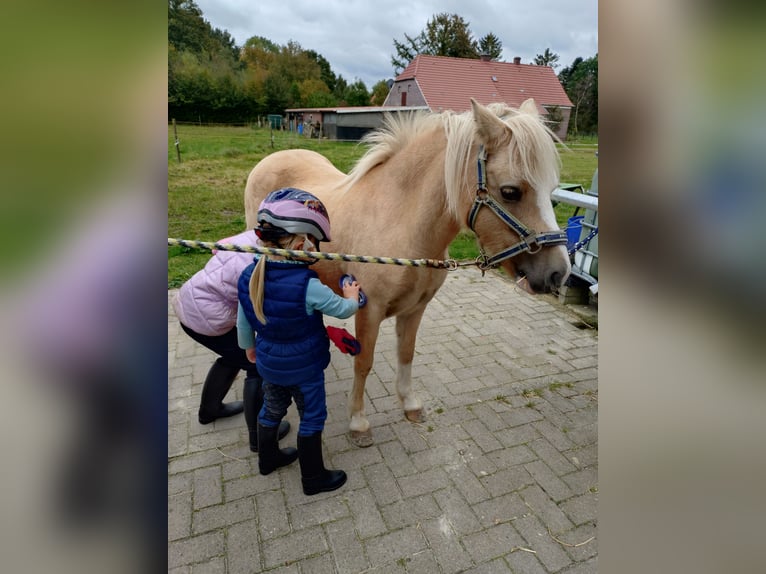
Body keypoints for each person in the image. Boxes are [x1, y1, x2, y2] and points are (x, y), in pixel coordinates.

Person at [237, 188, 361, 495]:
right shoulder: (309, 286)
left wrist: (249, 348)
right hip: (305, 369)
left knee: (272, 409)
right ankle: (313, 478)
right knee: (312, 416)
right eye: (313, 241)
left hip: (268, 363)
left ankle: (268, 460)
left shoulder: (250, 275)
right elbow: (343, 310)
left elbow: (243, 319)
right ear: (301, 242)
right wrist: (353, 296)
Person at [172, 229, 290, 450]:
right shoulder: (263, 263)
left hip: (189, 301)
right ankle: (258, 436)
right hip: (206, 318)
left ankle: (210, 410)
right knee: (255, 364)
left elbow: (218, 247)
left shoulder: (248, 239)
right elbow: (258, 310)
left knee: (232, 356)